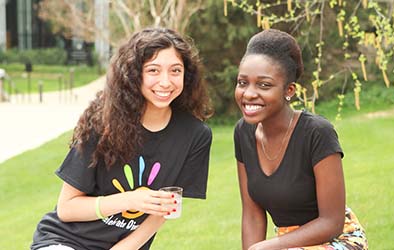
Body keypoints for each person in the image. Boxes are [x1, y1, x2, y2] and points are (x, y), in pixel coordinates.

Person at [31, 27, 213, 250]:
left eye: (175, 70)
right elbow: (67, 209)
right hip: (65, 240)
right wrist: (130, 200)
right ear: (134, 75)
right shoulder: (102, 122)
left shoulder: (196, 135)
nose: (166, 82)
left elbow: (164, 210)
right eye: (153, 70)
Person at [233, 29, 368, 250]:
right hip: (287, 244)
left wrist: (264, 247)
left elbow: (331, 223)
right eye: (242, 82)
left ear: (289, 90)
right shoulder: (243, 133)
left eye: (264, 85)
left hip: (338, 239)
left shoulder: (317, 133)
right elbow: (252, 213)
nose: (248, 93)